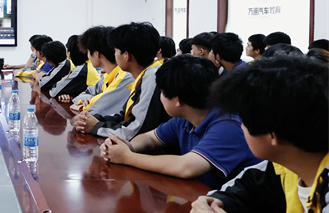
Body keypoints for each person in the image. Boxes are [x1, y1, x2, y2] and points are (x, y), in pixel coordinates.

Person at [188, 56, 329, 213]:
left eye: (244, 121)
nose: (241, 127)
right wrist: (212, 203)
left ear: (272, 135)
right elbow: (247, 188)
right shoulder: (286, 167)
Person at [100, 55, 261, 189]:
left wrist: (127, 157)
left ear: (177, 100)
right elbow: (150, 138)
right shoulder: (185, 118)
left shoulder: (229, 124)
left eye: (162, 92)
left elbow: (186, 167)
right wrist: (128, 147)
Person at [74, 22, 170, 140]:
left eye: (115, 51)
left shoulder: (152, 77)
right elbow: (125, 116)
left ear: (126, 55)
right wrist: (97, 119)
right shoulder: (143, 76)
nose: (114, 55)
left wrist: (97, 127)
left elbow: (137, 129)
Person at [67, 26, 134, 117]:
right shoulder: (107, 76)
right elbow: (83, 94)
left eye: (88, 51)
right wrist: (88, 99)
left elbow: (96, 110)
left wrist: (81, 106)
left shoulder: (125, 77)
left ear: (96, 53)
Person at [50, 34, 101, 99]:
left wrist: (63, 80)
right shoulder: (86, 65)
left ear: (69, 53)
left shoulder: (81, 70)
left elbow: (54, 91)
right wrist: (69, 93)